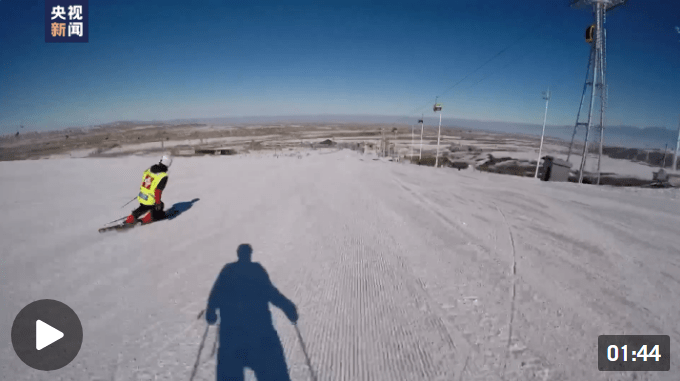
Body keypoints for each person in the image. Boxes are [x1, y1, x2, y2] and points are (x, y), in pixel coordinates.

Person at [206, 244, 298, 381]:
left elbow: (215, 295)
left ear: (238, 254)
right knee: (274, 373)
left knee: (229, 372)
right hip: (260, 335)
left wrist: (211, 312)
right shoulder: (257, 271)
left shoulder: (227, 271)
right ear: (250, 254)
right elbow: (272, 294)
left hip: (232, 338)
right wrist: (288, 308)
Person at [124, 155, 171, 226]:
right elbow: (158, 191)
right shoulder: (163, 176)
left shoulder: (150, 169)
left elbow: (145, 180)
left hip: (141, 195)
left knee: (143, 207)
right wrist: (158, 203)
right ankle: (145, 220)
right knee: (160, 206)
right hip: (150, 198)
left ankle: (131, 218)